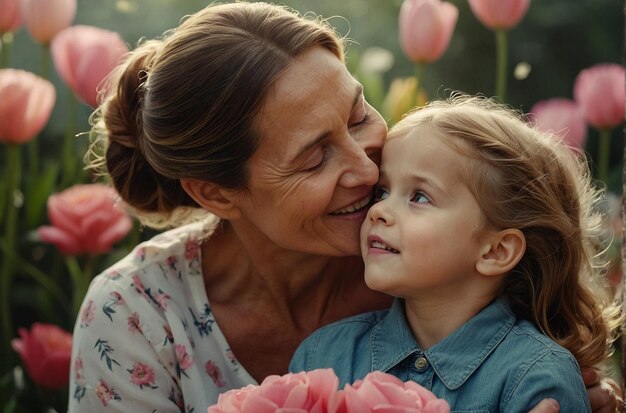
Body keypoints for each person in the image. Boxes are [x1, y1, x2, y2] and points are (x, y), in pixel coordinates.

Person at [68, 2, 620, 412]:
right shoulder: (137, 319)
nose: (365, 169)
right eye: (314, 159)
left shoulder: (437, 258)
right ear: (215, 193)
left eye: (358, 115)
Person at [290, 96, 621, 411]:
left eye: (419, 197)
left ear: (496, 251)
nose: (379, 211)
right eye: (383, 191)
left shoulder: (537, 380)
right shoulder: (323, 357)